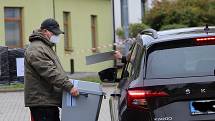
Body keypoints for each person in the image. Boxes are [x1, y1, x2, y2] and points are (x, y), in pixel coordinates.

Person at [24, 18, 79, 121]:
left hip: (48, 101)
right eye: (54, 33)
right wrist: (69, 86)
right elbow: (50, 72)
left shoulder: (45, 47)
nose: (56, 36)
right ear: (45, 31)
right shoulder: (36, 48)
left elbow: (56, 70)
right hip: (41, 102)